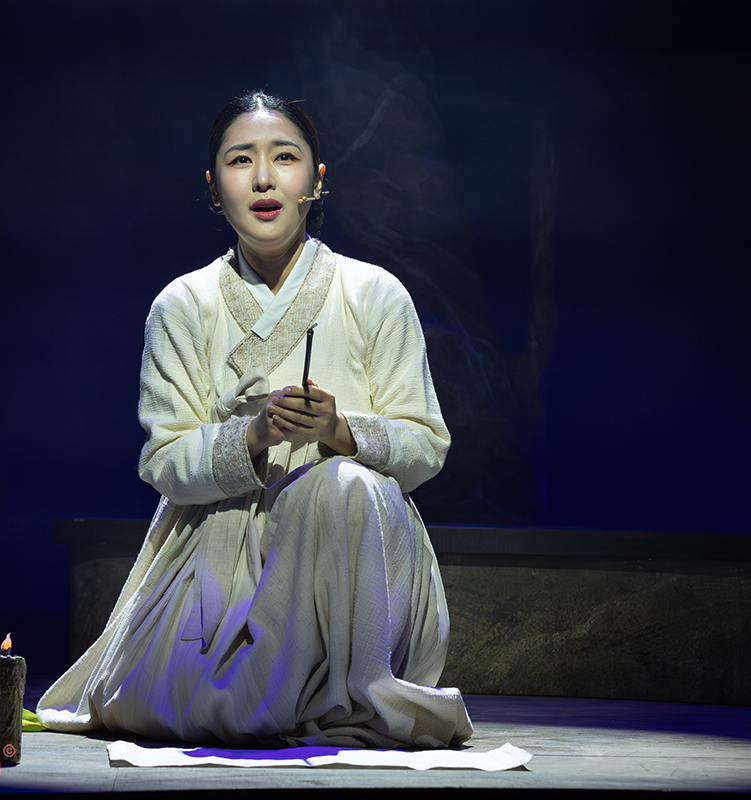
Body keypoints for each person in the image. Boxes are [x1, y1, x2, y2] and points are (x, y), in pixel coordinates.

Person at [36, 91, 473, 749]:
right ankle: (277, 688)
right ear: (215, 189)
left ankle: (358, 682)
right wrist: (254, 434)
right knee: (191, 703)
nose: (264, 178)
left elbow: (425, 443)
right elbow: (164, 461)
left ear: (316, 181)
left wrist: (338, 430)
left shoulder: (376, 294)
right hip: (220, 549)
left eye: (284, 158)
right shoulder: (183, 305)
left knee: (343, 486)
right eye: (241, 160)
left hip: (356, 552)